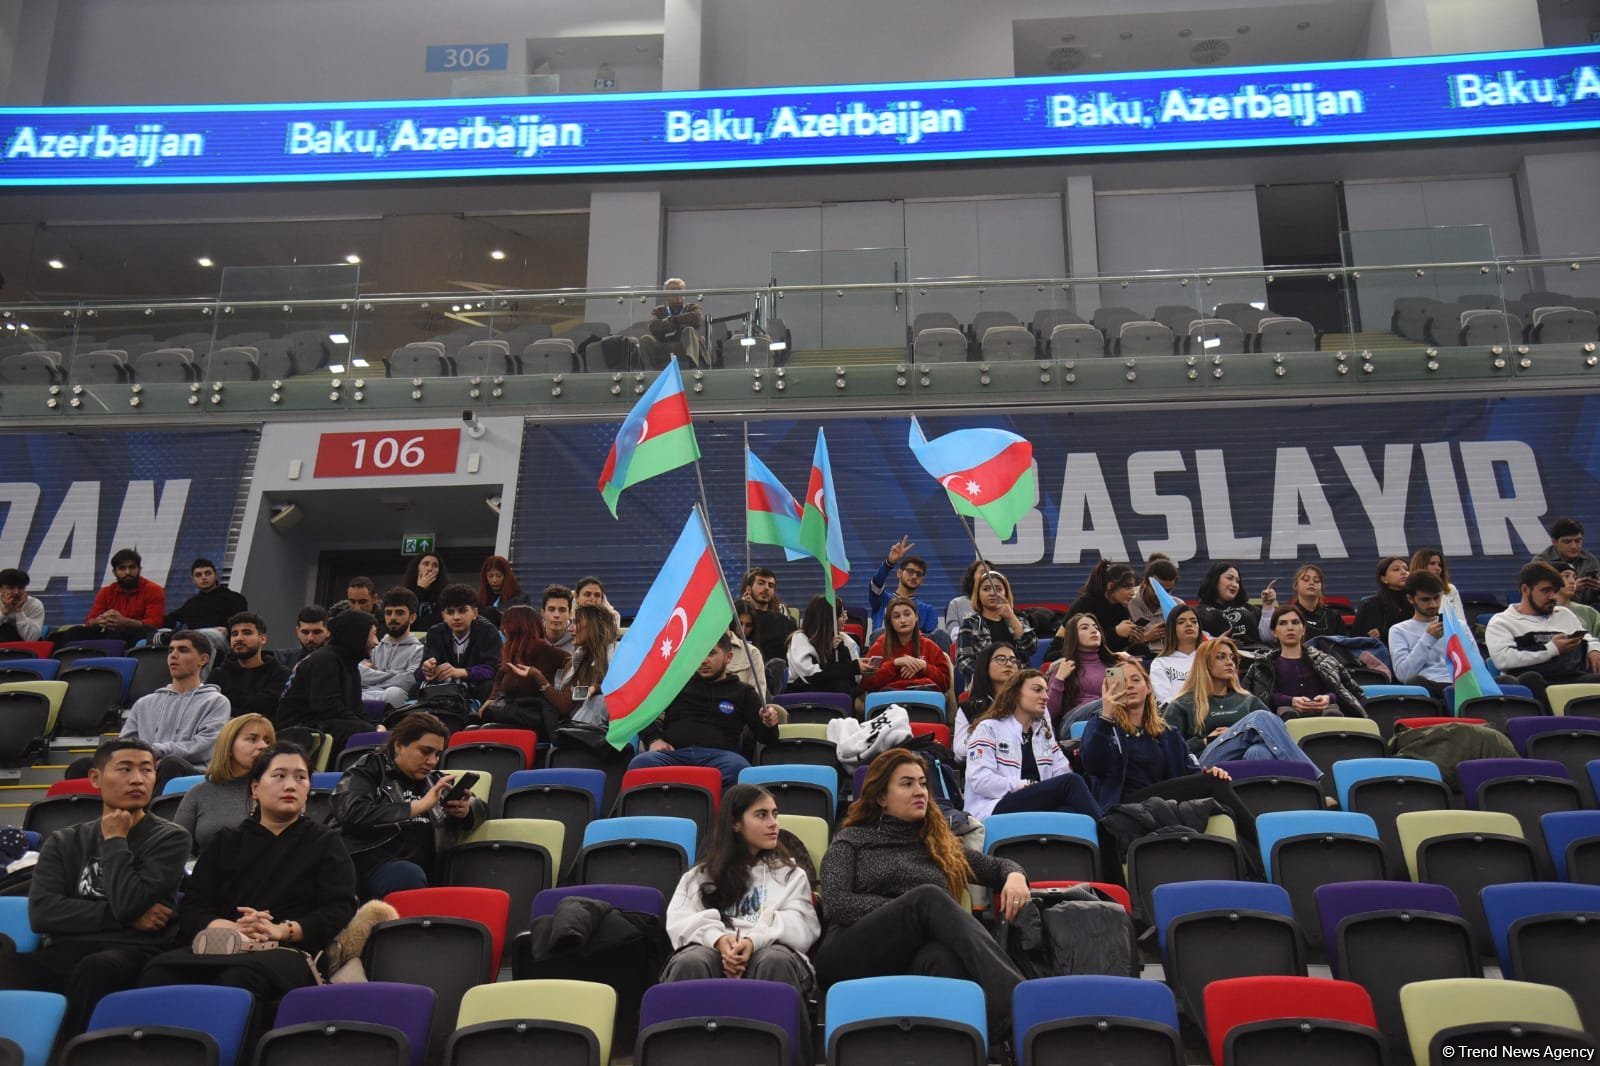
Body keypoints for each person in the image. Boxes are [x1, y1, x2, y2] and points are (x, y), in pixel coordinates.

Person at [814, 748, 1028, 1043]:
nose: (920, 791)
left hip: (913, 952)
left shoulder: (938, 846)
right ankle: (1023, 1002)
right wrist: (910, 913)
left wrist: (1015, 875)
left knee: (941, 959)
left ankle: (982, 1043)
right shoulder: (850, 840)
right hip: (848, 953)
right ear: (881, 797)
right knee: (928, 898)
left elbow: (998, 867)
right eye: (907, 784)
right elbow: (837, 904)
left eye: (923, 783)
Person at [0, 739, 189, 1036]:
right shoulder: (64, 840)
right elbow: (43, 913)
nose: (137, 779)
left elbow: (129, 900)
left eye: (147, 770)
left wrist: (115, 840)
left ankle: (69, 1052)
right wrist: (126, 918)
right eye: (125, 769)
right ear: (95, 779)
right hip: (67, 947)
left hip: (133, 949)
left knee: (97, 968)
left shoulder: (170, 838)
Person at [141, 743, 356, 1003]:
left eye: (300, 777)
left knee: (240, 978)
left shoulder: (326, 842)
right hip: (223, 943)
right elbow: (195, 906)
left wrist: (279, 930)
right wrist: (232, 928)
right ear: (255, 788)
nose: (290, 785)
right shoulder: (226, 841)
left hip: (289, 949)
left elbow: (338, 908)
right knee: (160, 973)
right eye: (279, 776)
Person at [661, 784, 819, 1006]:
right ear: (735, 823)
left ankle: (780, 1041)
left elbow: (802, 927)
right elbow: (680, 920)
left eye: (775, 814)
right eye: (761, 815)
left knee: (774, 960)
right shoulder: (700, 875)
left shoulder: (791, 875)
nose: (774, 823)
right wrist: (718, 939)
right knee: (690, 962)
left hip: (769, 951)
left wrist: (754, 941)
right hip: (710, 950)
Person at [1079, 663, 1257, 846]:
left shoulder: (1167, 732)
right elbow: (1092, 764)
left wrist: (1208, 773)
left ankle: (1250, 862)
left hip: (1164, 802)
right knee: (1214, 786)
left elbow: (1188, 772)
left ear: (1148, 688)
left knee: (1222, 801)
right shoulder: (1103, 726)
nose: (1130, 685)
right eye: (1122, 682)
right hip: (1125, 804)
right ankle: (1263, 841)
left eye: (1135, 679)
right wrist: (1107, 715)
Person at [332, 712, 487, 899]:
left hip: (424, 875)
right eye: (425, 751)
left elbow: (483, 808)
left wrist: (466, 811)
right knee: (406, 874)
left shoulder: (436, 781)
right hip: (363, 870)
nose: (432, 761)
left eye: (437, 754)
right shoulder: (371, 768)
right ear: (398, 745)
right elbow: (351, 812)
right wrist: (417, 806)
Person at [631, 632, 783, 788]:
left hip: (721, 759)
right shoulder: (676, 685)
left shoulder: (744, 692)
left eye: (711, 653)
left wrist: (770, 724)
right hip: (674, 755)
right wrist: (654, 739)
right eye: (699, 654)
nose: (703, 661)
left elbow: (768, 739)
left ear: (728, 657)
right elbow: (641, 713)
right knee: (641, 764)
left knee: (738, 769)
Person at [92, 631, 231, 790]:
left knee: (170, 764)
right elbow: (126, 743)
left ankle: (145, 814)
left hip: (190, 771)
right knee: (87, 766)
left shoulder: (215, 701)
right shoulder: (144, 703)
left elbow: (204, 748)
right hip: (145, 767)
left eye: (183, 650)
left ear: (203, 659)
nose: (173, 655)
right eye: (171, 650)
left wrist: (155, 751)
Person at [1163, 637, 1316, 771]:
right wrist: (1205, 740)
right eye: (1221, 657)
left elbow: (1276, 733)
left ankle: (1261, 801)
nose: (1230, 662)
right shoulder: (1182, 704)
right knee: (1260, 718)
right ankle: (1310, 777)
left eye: (1232, 658)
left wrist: (1237, 734)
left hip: (1244, 763)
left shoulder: (1248, 700)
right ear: (1204, 664)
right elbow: (1169, 751)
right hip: (1205, 763)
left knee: (1259, 752)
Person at [964, 670, 1099, 820]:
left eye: (1046, 691)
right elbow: (981, 781)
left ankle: (1107, 834)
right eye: (1037, 690)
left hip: (1036, 802)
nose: (1046, 697)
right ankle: (1110, 833)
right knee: (1073, 782)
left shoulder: (1044, 735)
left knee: (1072, 813)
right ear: (1015, 693)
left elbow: (1062, 773)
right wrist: (1022, 785)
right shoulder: (988, 728)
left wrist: (1039, 789)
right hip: (994, 806)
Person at [1485, 560, 1600, 711]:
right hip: (1534, 682)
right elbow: (1503, 660)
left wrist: (1594, 649)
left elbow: (1587, 638)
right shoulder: (1502, 622)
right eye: (1546, 591)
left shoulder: (1564, 614)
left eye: (1555, 591)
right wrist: (1552, 648)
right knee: (1531, 678)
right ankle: (1551, 723)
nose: (1553, 597)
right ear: (1525, 590)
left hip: (1571, 677)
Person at [275, 609, 378, 752]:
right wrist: (370, 728)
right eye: (372, 635)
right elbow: (327, 707)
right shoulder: (324, 660)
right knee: (364, 731)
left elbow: (355, 709)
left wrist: (376, 726)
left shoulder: (349, 663)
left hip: (323, 722)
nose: (376, 642)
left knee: (375, 729)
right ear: (358, 635)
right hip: (298, 730)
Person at [173, 714, 276, 852]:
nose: (263, 746)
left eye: (268, 741)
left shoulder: (278, 792)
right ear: (228, 745)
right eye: (252, 739)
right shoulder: (198, 794)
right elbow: (177, 852)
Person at [1243, 604, 1367, 717]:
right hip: (1283, 721)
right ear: (1274, 632)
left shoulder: (1326, 661)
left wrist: (1328, 698)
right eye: (1283, 623)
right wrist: (1291, 701)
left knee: (1333, 713)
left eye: (1295, 622)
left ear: (1303, 630)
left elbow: (1341, 691)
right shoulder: (1262, 666)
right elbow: (1264, 697)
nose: (1290, 628)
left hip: (1325, 715)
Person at [486, 603, 570, 733]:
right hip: (512, 714)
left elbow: (575, 663)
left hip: (534, 717)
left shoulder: (546, 650)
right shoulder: (512, 649)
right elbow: (501, 672)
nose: (503, 629)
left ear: (517, 627)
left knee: (485, 727)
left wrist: (561, 687)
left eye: (506, 625)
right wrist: (492, 697)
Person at [60, 547, 165, 645]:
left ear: (139, 569)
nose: (127, 572)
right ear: (114, 572)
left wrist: (124, 622)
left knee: (145, 633)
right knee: (74, 632)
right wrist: (101, 620)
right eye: (122, 568)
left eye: (132, 567)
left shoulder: (153, 590)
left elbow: (155, 624)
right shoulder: (106, 592)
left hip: (136, 635)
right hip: (110, 634)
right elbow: (89, 621)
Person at [416, 583, 501, 700]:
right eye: (450, 612)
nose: (456, 617)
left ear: (475, 613)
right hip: (445, 687)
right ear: (443, 616)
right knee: (415, 688)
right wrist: (427, 671)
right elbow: (419, 674)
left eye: (462, 611)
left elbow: (492, 669)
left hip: (474, 686)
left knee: (489, 686)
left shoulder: (488, 631)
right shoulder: (435, 633)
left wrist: (461, 672)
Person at [955, 568, 1036, 684]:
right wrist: (989, 676)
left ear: (1005, 593)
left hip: (1018, 683)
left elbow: (1031, 647)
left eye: (998, 589)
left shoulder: (1019, 619)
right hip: (984, 684)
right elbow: (963, 660)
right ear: (978, 594)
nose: (992, 593)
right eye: (986, 589)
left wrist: (1011, 617)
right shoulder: (970, 623)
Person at [543, 604, 620, 728]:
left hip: (615, 728)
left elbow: (625, 693)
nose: (570, 629)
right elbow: (565, 705)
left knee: (598, 702)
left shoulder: (619, 655)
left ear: (593, 625)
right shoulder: (578, 660)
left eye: (576, 622)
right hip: (583, 727)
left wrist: (596, 689)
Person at [862, 595, 951, 696]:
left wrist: (924, 666)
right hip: (889, 698)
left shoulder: (930, 646)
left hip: (925, 698)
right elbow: (867, 684)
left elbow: (946, 684)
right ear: (890, 621)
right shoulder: (880, 646)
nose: (903, 620)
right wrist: (894, 664)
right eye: (896, 616)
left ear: (916, 617)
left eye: (907, 614)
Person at [1044, 613, 1119, 731]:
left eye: (1096, 627)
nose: (1094, 631)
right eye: (1085, 627)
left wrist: (1130, 661)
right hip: (1074, 722)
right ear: (1073, 636)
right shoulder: (1065, 666)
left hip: (1110, 718)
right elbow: (1049, 712)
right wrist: (1059, 679)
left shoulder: (1112, 664)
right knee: (1113, 701)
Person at [211, 612, 292, 721]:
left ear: (262, 639)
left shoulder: (281, 674)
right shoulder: (218, 674)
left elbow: (269, 709)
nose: (239, 638)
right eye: (234, 634)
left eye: (247, 633)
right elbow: (210, 709)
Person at [785, 595, 865, 699]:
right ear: (828, 618)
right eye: (841, 615)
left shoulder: (846, 641)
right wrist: (851, 667)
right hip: (804, 697)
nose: (846, 618)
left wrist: (842, 652)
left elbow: (854, 679)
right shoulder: (799, 638)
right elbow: (809, 675)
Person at [1387, 571, 1452, 698]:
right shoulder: (1398, 630)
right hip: (1428, 687)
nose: (1433, 604)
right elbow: (1403, 675)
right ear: (1411, 599)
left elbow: (1477, 665)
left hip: (1460, 684)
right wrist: (1428, 639)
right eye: (1425, 599)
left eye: (1436, 598)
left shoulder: (1458, 626)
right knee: (1415, 682)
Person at [954, 642, 1019, 764]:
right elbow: (959, 753)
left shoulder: (1028, 701)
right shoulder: (970, 708)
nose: (1009, 664)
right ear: (985, 666)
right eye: (1001, 659)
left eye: (1013, 660)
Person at [360, 587, 424, 709]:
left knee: (394, 693)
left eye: (399, 613)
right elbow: (358, 674)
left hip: (393, 697)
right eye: (388, 613)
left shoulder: (419, 650)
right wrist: (396, 675)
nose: (393, 618)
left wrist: (373, 675)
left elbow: (408, 681)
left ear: (412, 618)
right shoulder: (374, 647)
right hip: (367, 693)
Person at [866, 536, 941, 635]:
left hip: (914, 649)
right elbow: (876, 583)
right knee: (879, 633)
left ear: (922, 581)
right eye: (910, 571)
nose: (914, 576)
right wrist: (889, 563)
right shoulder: (881, 600)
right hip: (882, 648)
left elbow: (930, 642)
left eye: (918, 574)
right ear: (899, 573)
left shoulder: (928, 610)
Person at [1258, 563, 1347, 643]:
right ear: (1296, 585)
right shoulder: (1286, 613)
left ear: (1322, 587)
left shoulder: (1333, 616)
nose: (1311, 583)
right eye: (1305, 579)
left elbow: (1344, 645)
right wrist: (1268, 606)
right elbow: (1267, 638)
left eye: (1316, 580)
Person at [1065, 559, 1139, 654]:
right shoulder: (1086, 604)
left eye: (1133, 587)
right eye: (1127, 587)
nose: (1132, 593)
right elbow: (1083, 641)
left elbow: (1113, 647)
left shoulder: (1121, 609)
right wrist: (1116, 632)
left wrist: (1130, 638)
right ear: (1110, 586)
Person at [162, 558, 248, 635]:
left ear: (216, 575)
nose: (204, 577)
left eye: (208, 573)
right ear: (193, 580)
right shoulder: (190, 604)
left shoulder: (235, 599)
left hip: (224, 643)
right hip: (195, 644)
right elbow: (170, 620)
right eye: (198, 575)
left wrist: (228, 631)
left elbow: (243, 625)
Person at [641, 277, 710, 369]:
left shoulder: (692, 307)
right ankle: (650, 373)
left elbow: (696, 319)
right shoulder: (658, 310)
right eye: (673, 290)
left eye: (680, 290)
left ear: (684, 293)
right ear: (666, 294)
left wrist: (671, 321)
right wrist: (680, 323)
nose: (677, 293)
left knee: (689, 330)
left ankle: (693, 369)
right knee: (646, 339)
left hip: (686, 347)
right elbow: (653, 327)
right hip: (663, 346)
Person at [1196, 561, 1265, 647]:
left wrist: (1268, 607)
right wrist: (1216, 642)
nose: (1235, 584)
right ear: (1215, 580)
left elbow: (1268, 636)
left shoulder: (1252, 609)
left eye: (1237, 581)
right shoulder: (1198, 613)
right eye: (1229, 578)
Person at [1535, 517, 1600, 606]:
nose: (1574, 546)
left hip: (1585, 610)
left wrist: (1598, 589)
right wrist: (1571, 589)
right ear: (1554, 542)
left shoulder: (1590, 560)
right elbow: (1536, 596)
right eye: (1567, 542)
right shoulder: (1541, 562)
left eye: (1578, 541)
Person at [1148, 603, 1203, 706]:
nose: (1189, 624)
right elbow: (1163, 699)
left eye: (1194, 621)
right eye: (1181, 622)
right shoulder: (1160, 663)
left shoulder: (1210, 658)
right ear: (1172, 629)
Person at [1125, 556, 1179, 655]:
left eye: (1167, 591)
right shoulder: (1126, 603)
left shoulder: (1177, 606)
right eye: (1158, 590)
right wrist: (1146, 637)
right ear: (1145, 583)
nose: (1161, 596)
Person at [742, 567, 798, 661]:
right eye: (761, 583)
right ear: (748, 589)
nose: (766, 588)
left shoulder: (784, 622)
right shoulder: (739, 619)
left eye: (771, 585)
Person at [1353, 556, 1411, 642]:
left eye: (1406, 569)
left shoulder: (1416, 602)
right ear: (1384, 579)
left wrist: (1384, 633)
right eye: (1396, 569)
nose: (1404, 572)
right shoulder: (1370, 604)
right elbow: (1358, 637)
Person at [943, 558, 992, 645]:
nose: (987, 576)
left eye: (990, 573)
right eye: (983, 572)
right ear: (972, 576)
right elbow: (954, 635)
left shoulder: (999, 605)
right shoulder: (956, 604)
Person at [1409, 547, 1466, 621]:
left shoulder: (1450, 589)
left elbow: (1461, 619)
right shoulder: (1409, 590)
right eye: (1432, 564)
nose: (1438, 568)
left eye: (1439, 565)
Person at [402, 551, 448, 633]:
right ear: (417, 568)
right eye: (426, 564)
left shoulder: (445, 594)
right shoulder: (405, 592)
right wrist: (420, 589)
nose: (430, 569)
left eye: (435, 566)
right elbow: (405, 615)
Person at [476, 555, 527, 626]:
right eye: (490, 576)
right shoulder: (479, 601)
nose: (494, 580)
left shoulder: (520, 599)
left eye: (499, 576)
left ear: (507, 576)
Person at [277, 606, 331, 672]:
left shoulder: (340, 662)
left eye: (317, 632)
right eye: (305, 632)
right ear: (297, 632)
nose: (310, 638)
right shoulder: (282, 658)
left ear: (328, 631)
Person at [1553, 562, 1600, 633]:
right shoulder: (1538, 612)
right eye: (1566, 576)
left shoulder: (1589, 613)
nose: (1572, 581)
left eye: (1574, 577)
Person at [0, 567, 44, 642]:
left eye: (20, 587)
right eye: (10, 587)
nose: (16, 592)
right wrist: (4, 612)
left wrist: (19, 611)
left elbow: (32, 639)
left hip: (23, 650)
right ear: (0, 588)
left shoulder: (34, 604)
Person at [541, 583, 575, 652]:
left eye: (562, 610)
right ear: (543, 613)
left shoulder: (580, 641)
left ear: (570, 614)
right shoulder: (532, 637)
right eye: (551, 609)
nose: (556, 615)